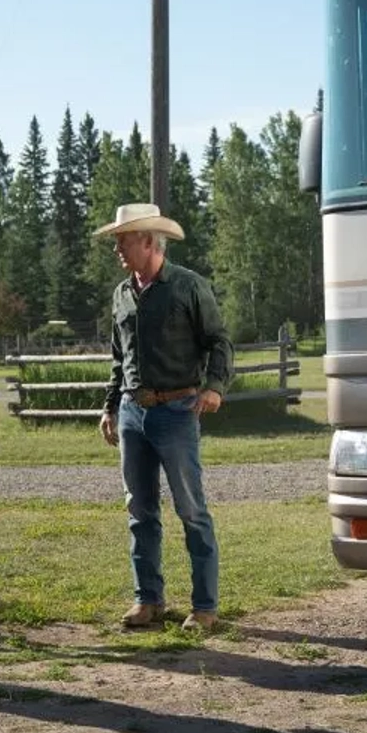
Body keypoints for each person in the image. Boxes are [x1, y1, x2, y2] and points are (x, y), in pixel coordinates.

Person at [93, 203, 233, 632]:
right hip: (133, 413)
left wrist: (214, 387)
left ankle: (205, 607)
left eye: (124, 239)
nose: (118, 248)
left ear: (150, 242)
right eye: (117, 240)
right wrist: (110, 406)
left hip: (177, 410)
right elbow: (120, 360)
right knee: (140, 510)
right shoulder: (121, 294)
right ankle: (148, 600)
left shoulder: (189, 286)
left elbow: (220, 341)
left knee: (191, 510)